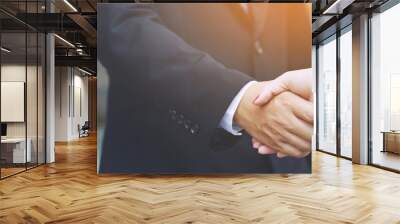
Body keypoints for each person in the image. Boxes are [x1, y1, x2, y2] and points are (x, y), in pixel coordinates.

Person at [98, 3, 313, 173]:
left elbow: (294, 41)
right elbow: (114, 22)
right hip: (167, 167)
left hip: (283, 164)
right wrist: (235, 99)